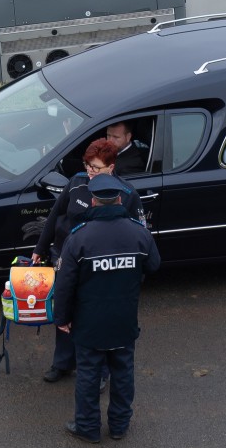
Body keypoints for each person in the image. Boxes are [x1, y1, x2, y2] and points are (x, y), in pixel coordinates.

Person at [53, 173, 160, 443]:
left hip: (88, 322)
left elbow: (64, 284)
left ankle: (87, 428)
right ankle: (119, 426)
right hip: (124, 319)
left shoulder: (79, 238)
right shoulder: (138, 233)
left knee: (88, 375)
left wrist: (62, 318)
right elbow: (154, 265)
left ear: (93, 200)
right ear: (120, 198)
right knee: (123, 372)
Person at [31, 139, 143, 384]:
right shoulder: (76, 183)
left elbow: (138, 233)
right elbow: (54, 215)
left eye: (96, 168)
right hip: (66, 258)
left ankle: (100, 373)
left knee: (95, 318)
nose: (90, 172)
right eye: (88, 166)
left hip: (99, 266)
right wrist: (40, 248)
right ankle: (63, 363)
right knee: (64, 310)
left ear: (111, 167)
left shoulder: (126, 194)